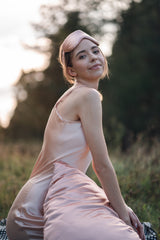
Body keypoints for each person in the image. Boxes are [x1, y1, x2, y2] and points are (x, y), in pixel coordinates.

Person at [6, 30, 145, 240]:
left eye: (95, 51)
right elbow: (102, 165)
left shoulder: (71, 96)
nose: (93, 57)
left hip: (29, 207)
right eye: (82, 56)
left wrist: (120, 205)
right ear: (71, 71)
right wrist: (123, 217)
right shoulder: (88, 96)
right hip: (36, 212)